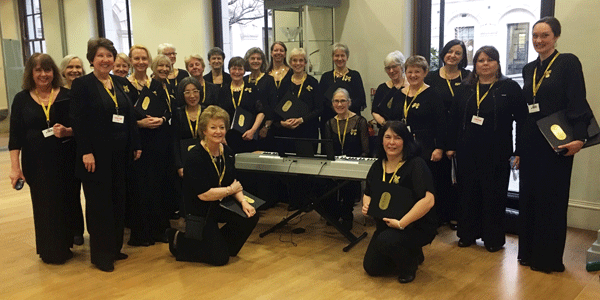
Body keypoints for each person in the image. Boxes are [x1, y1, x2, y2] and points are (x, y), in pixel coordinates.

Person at [518, 17, 592, 273]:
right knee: (529, 197)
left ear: (556, 37)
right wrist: (518, 148)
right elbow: (526, 110)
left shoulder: (568, 63)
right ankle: (527, 253)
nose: (539, 41)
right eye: (535, 36)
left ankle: (547, 259)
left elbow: (577, 100)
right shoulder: (529, 69)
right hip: (531, 142)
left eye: (545, 35)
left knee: (552, 200)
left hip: (558, 142)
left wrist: (580, 138)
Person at [446, 46, 527, 253]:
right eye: (480, 60)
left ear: (498, 63)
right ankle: (467, 234)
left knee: (494, 196)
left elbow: (523, 121)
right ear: (475, 65)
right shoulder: (465, 88)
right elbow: (454, 120)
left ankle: (493, 238)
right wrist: (450, 147)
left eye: (490, 60)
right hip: (467, 152)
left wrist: (519, 151)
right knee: (467, 194)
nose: (485, 64)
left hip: (497, 153)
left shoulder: (509, 88)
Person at [70, 38, 142, 272]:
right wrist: (86, 151)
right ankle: (101, 255)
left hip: (120, 154)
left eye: (109, 55)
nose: (105, 60)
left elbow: (129, 116)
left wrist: (135, 143)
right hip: (96, 156)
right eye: (100, 55)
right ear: (92, 59)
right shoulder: (83, 85)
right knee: (99, 204)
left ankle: (114, 248)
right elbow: (78, 121)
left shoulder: (119, 82)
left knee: (118, 201)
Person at [166, 105, 258, 266]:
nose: (218, 131)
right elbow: (204, 194)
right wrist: (230, 190)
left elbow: (234, 183)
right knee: (220, 260)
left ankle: (222, 245)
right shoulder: (195, 156)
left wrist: (243, 202)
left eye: (222, 127)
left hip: (221, 203)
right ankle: (179, 240)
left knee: (250, 215)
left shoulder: (227, 152)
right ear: (204, 130)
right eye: (213, 127)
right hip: (201, 209)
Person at [9, 53, 75, 265]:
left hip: (65, 158)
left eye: (47, 70)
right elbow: (15, 136)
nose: (43, 74)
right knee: (44, 204)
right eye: (38, 70)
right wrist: (14, 168)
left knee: (65, 201)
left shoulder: (66, 95)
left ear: (54, 72)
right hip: (36, 162)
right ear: (31, 73)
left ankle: (65, 245)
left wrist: (67, 131)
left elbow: (79, 127)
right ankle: (49, 250)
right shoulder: (21, 99)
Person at [362, 121, 436, 284]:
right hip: (387, 225)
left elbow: (428, 200)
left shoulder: (416, 164)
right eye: (387, 137)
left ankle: (409, 266)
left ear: (406, 141)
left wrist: (402, 223)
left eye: (397, 138)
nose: (391, 142)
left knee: (386, 241)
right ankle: (413, 252)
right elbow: (367, 193)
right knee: (371, 268)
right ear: (381, 141)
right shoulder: (377, 166)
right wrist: (366, 204)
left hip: (414, 225)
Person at [127, 47, 173, 247]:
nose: (140, 62)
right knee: (140, 189)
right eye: (136, 58)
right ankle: (141, 233)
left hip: (157, 142)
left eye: (144, 58)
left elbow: (168, 111)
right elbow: (119, 117)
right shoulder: (123, 85)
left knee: (158, 186)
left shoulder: (156, 84)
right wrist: (139, 124)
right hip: (136, 143)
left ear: (149, 61)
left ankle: (159, 230)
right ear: (131, 60)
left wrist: (162, 119)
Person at [424, 40, 471, 230]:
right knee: (440, 176)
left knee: (461, 176)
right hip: (438, 133)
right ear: (443, 53)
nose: (453, 55)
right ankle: (440, 214)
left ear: (462, 57)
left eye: (458, 53)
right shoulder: (432, 77)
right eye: (450, 51)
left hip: (463, 131)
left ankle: (457, 215)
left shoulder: (468, 77)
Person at [272, 48, 324, 211]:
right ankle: (294, 201)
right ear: (290, 62)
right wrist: (282, 123)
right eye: (294, 60)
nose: (298, 63)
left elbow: (319, 109)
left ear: (306, 63)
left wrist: (302, 120)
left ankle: (307, 201)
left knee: (306, 166)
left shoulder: (313, 83)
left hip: (307, 131)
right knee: (290, 167)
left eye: (301, 60)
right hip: (287, 131)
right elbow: (277, 108)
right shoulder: (284, 82)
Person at [322, 88, 369, 229]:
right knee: (328, 185)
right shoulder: (329, 123)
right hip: (335, 166)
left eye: (343, 101)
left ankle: (347, 214)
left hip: (353, 166)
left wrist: (355, 165)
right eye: (336, 101)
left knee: (348, 187)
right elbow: (327, 149)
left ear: (349, 102)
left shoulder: (360, 121)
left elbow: (365, 150)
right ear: (332, 104)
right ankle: (333, 213)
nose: (339, 104)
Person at [216, 57, 265, 154]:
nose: (237, 72)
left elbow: (261, 112)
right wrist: (221, 136)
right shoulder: (223, 90)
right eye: (234, 68)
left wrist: (253, 131)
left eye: (240, 69)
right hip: (228, 138)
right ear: (229, 70)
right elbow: (218, 115)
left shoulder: (252, 88)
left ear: (244, 70)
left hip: (248, 136)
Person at [172, 77, 203, 217]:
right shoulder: (178, 113)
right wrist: (179, 165)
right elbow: (175, 140)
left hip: (204, 158)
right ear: (182, 94)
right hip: (186, 161)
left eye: (195, 91)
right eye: (187, 92)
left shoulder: (208, 110)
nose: (192, 96)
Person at [318, 43, 366, 130]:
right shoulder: (326, 77)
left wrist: (344, 109)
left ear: (347, 57)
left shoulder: (355, 76)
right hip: (330, 121)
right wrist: (336, 108)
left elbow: (360, 99)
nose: (339, 59)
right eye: (336, 55)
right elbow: (321, 100)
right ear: (333, 57)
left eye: (342, 55)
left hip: (351, 121)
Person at [243, 47, 277, 151]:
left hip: (264, 128)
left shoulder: (269, 80)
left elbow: (273, 105)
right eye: (252, 58)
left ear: (262, 61)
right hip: (246, 127)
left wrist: (266, 127)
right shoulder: (244, 80)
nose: (255, 61)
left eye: (259, 58)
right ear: (247, 61)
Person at [372, 51, 408, 127]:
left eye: (394, 67)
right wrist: (385, 125)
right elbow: (375, 111)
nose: (391, 71)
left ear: (402, 66)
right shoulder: (382, 88)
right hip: (385, 130)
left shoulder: (410, 87)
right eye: (388, 68)